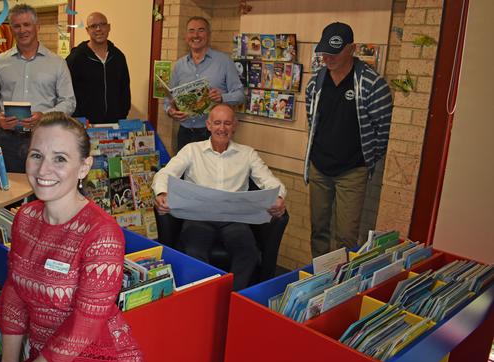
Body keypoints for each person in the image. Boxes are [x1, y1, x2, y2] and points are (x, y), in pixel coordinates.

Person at [0, 112, 144, 362]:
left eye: (60, 159)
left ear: (84, 167)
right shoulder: (25, 217)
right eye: (37, 155)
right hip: (43, 355)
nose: (43, 169)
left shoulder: (102, 233)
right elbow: (14, 291)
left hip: (95, 356)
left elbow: (85, 323)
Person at [152, 104, 287, 290]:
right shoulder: (192, 150)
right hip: (198, 218)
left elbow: (271, 182)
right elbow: (164, 174)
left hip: (235, 220)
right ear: (208, 125)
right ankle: (206, 296)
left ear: (234, 126)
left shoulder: (247, 154)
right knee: (194, 252)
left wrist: (279, 197)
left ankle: (233, 297)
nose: (221, 128)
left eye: (227, 123)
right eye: (217, 123)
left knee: (248, 253)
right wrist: (161, 193)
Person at [304, 22, 393, 259]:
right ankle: (317, 280)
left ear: (352, 49)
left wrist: (365, 162)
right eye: (324, 52)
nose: (327, 58)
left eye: (334, 52)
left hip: (352, 172)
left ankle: (339, 286)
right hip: (319, 168)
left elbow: (382, 132)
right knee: (318, 230)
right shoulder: (316, 82)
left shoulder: (373, 84)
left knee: (346, 236)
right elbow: (312, 123)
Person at [0, 4, 76, 173]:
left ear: (37, 27)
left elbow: (69, 102)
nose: (22, 30)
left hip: (45, 137)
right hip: (8, 140)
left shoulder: (57, 63)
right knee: (11, 192)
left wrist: (44, 117)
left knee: (43, 191)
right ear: (11, 29)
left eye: (26, 25)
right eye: (16, 26)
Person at [165, 16, 245, 152]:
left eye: (201, 30)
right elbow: (168, 99)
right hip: (185, 132)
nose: (195, 35)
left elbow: (240, 95)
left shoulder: (224, 62)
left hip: (213, 134)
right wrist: (170, 111)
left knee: (211, 173)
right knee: (184, 173)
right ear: (186, 36)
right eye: (191, 31)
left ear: (208, 35)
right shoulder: (179, 65)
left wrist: (222, 98)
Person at [66, 12, 131, 124]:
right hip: (84, 126)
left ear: (109, 27)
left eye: (102, 24)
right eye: (93, 26)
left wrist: (122, 115)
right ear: (87, 30)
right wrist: (76, 117)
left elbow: (124, 90)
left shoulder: (118, 57)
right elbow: (66, 91)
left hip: (113, 126)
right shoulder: (76, 58)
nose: (98, 29)